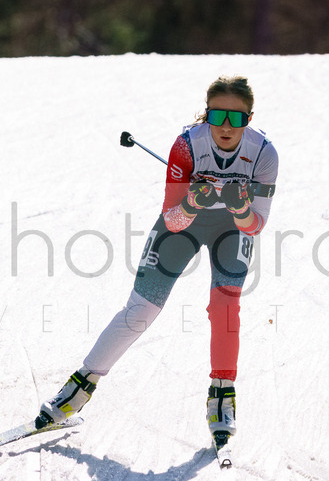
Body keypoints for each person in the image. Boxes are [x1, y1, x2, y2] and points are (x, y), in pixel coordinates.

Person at [36, 75, 279, 448]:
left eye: (237, 119)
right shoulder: (186, 146)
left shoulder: (264, 153)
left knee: (226, 304)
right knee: (141, 311)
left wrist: (240, 206)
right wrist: (193, 202)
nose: (226, 127)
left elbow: (256, 225)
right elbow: (172, 220)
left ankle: (222, 397)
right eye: (218, 117)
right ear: (206, 115)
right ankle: (80, 386)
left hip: (232, 228)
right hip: (185, 224)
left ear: (249, 118)